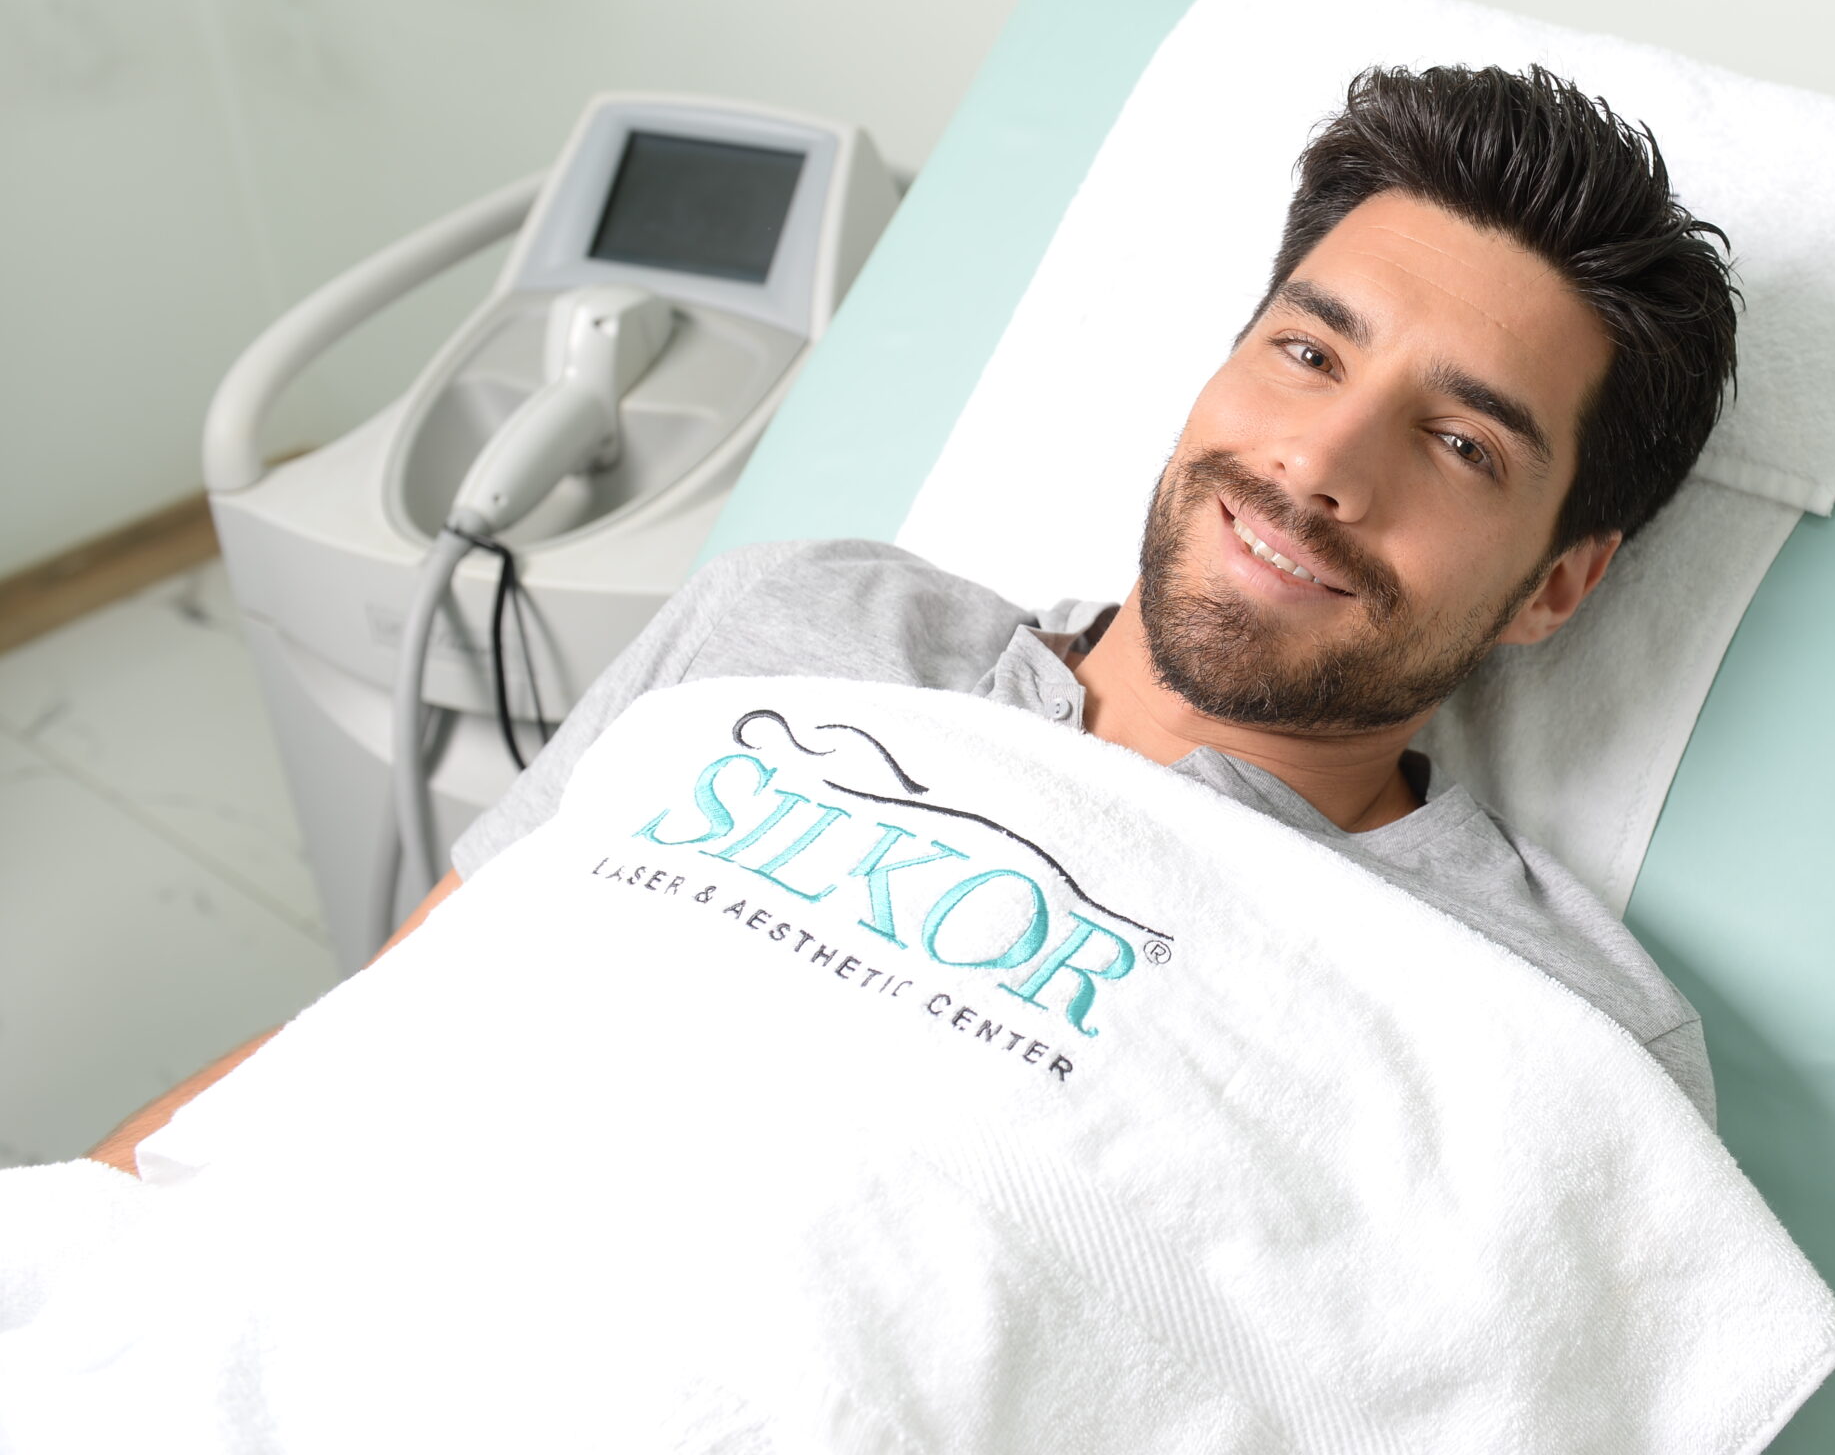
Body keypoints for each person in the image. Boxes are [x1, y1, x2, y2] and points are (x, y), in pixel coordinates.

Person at [89, 60, 1741, 1167]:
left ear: (1556, 583)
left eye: (1459, 444)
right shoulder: (799, 622)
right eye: (1306, 352)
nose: (1319, 464)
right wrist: (91, 1223)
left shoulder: (1540, 1027)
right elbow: (388, 1018)